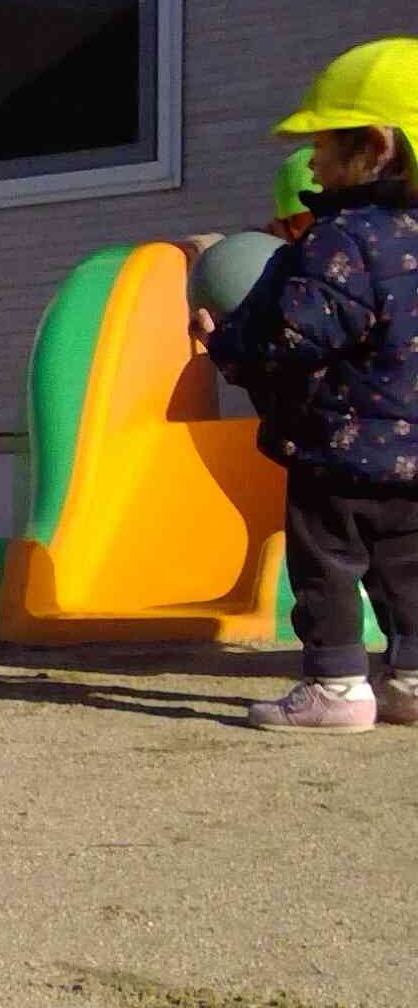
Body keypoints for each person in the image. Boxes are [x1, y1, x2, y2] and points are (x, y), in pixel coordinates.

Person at [198, 39, 418, 734]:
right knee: (407, 570)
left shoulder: (343, 236)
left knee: (326, 565)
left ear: (375, 149)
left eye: (324, 141)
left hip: (339, 443)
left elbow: (294, 336)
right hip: (415, 453)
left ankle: (336, 684)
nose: (313, 160)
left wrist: (224, 344)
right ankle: (411, 679)